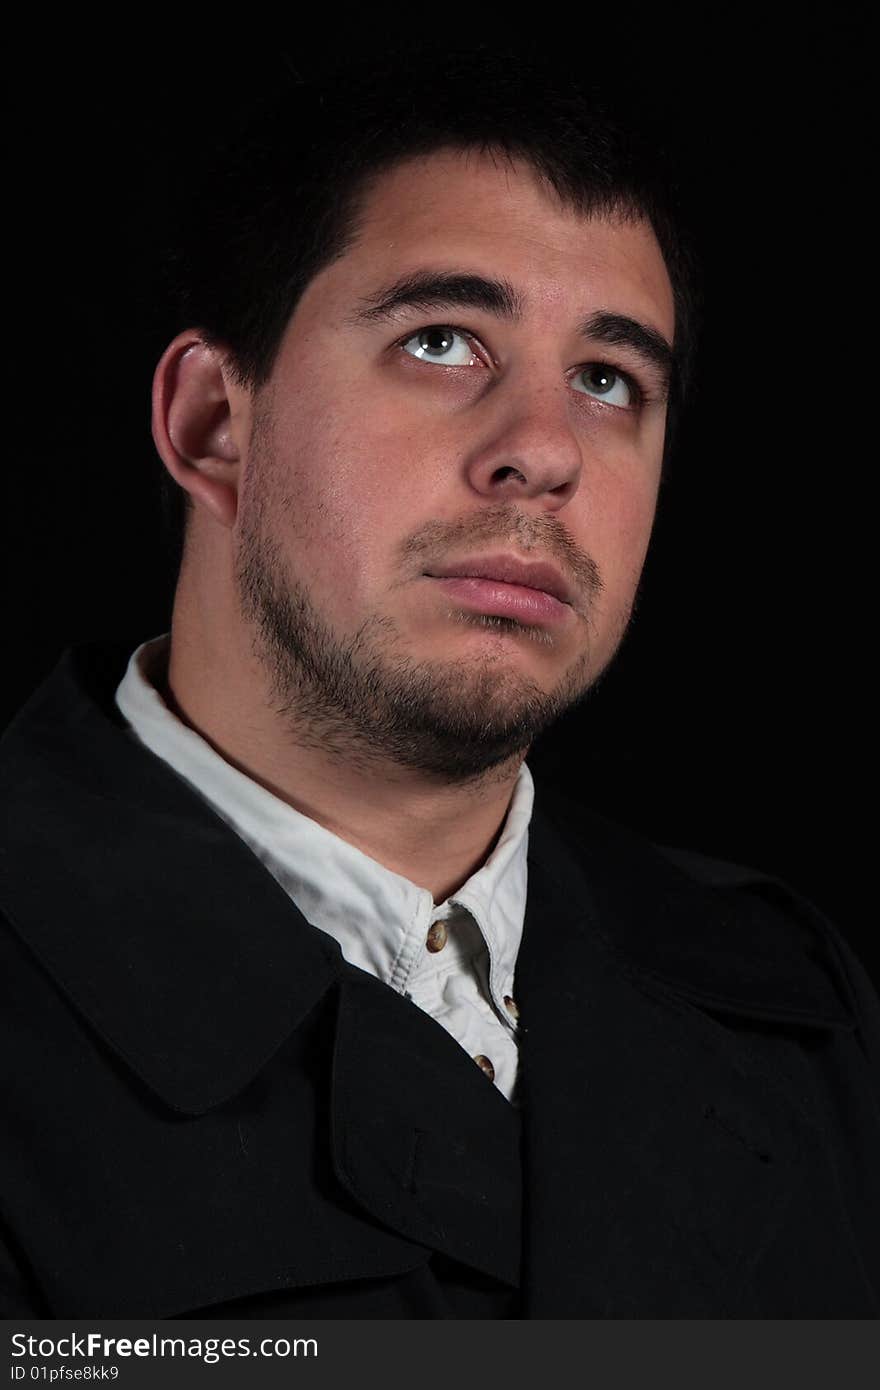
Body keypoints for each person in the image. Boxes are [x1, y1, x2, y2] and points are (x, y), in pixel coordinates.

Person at [1, 46, 877, 1320]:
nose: (543, 453)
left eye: (606, 379)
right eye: (443, 341)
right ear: (211, 422)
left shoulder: (797, 1011)